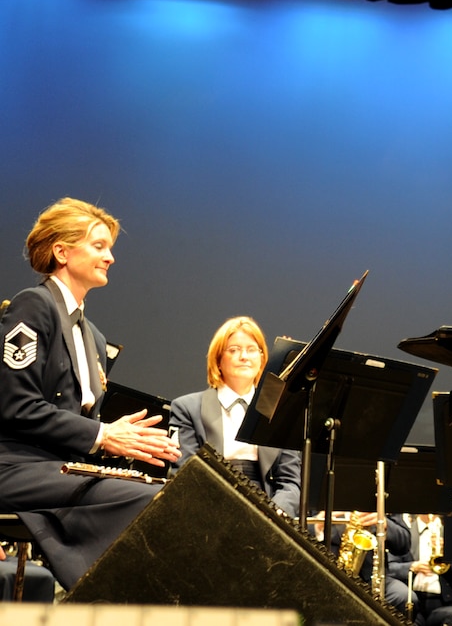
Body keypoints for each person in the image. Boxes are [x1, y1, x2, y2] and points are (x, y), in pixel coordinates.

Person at [0, 197, 180, 590]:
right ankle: (105, 600)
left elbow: (81, 425)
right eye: (98, 246)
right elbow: (17, 406)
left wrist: (116, 444)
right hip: (16, 468)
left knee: (168, 496)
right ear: (61, 251)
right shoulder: (34, 306)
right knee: (147, 503)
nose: (110, 257)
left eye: (110, 247)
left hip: (62, 469)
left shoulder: (94, 337)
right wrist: (104, 436)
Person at [170, 316, 302, 516]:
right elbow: (183, 474)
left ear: (263, 359)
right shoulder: (187, 408)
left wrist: (272, 516)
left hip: (268, 511)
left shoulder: (280, 412)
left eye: (252, 349)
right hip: (209, 507)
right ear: (218, 360)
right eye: (234, 350)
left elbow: (290, 483)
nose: (244, 357)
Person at [389, 512, 452, 626]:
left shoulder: (449, 534)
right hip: (413, 599)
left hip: (441, 602)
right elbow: (390, 568)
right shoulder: (404, 533)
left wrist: (447, 556)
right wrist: (412, 566)